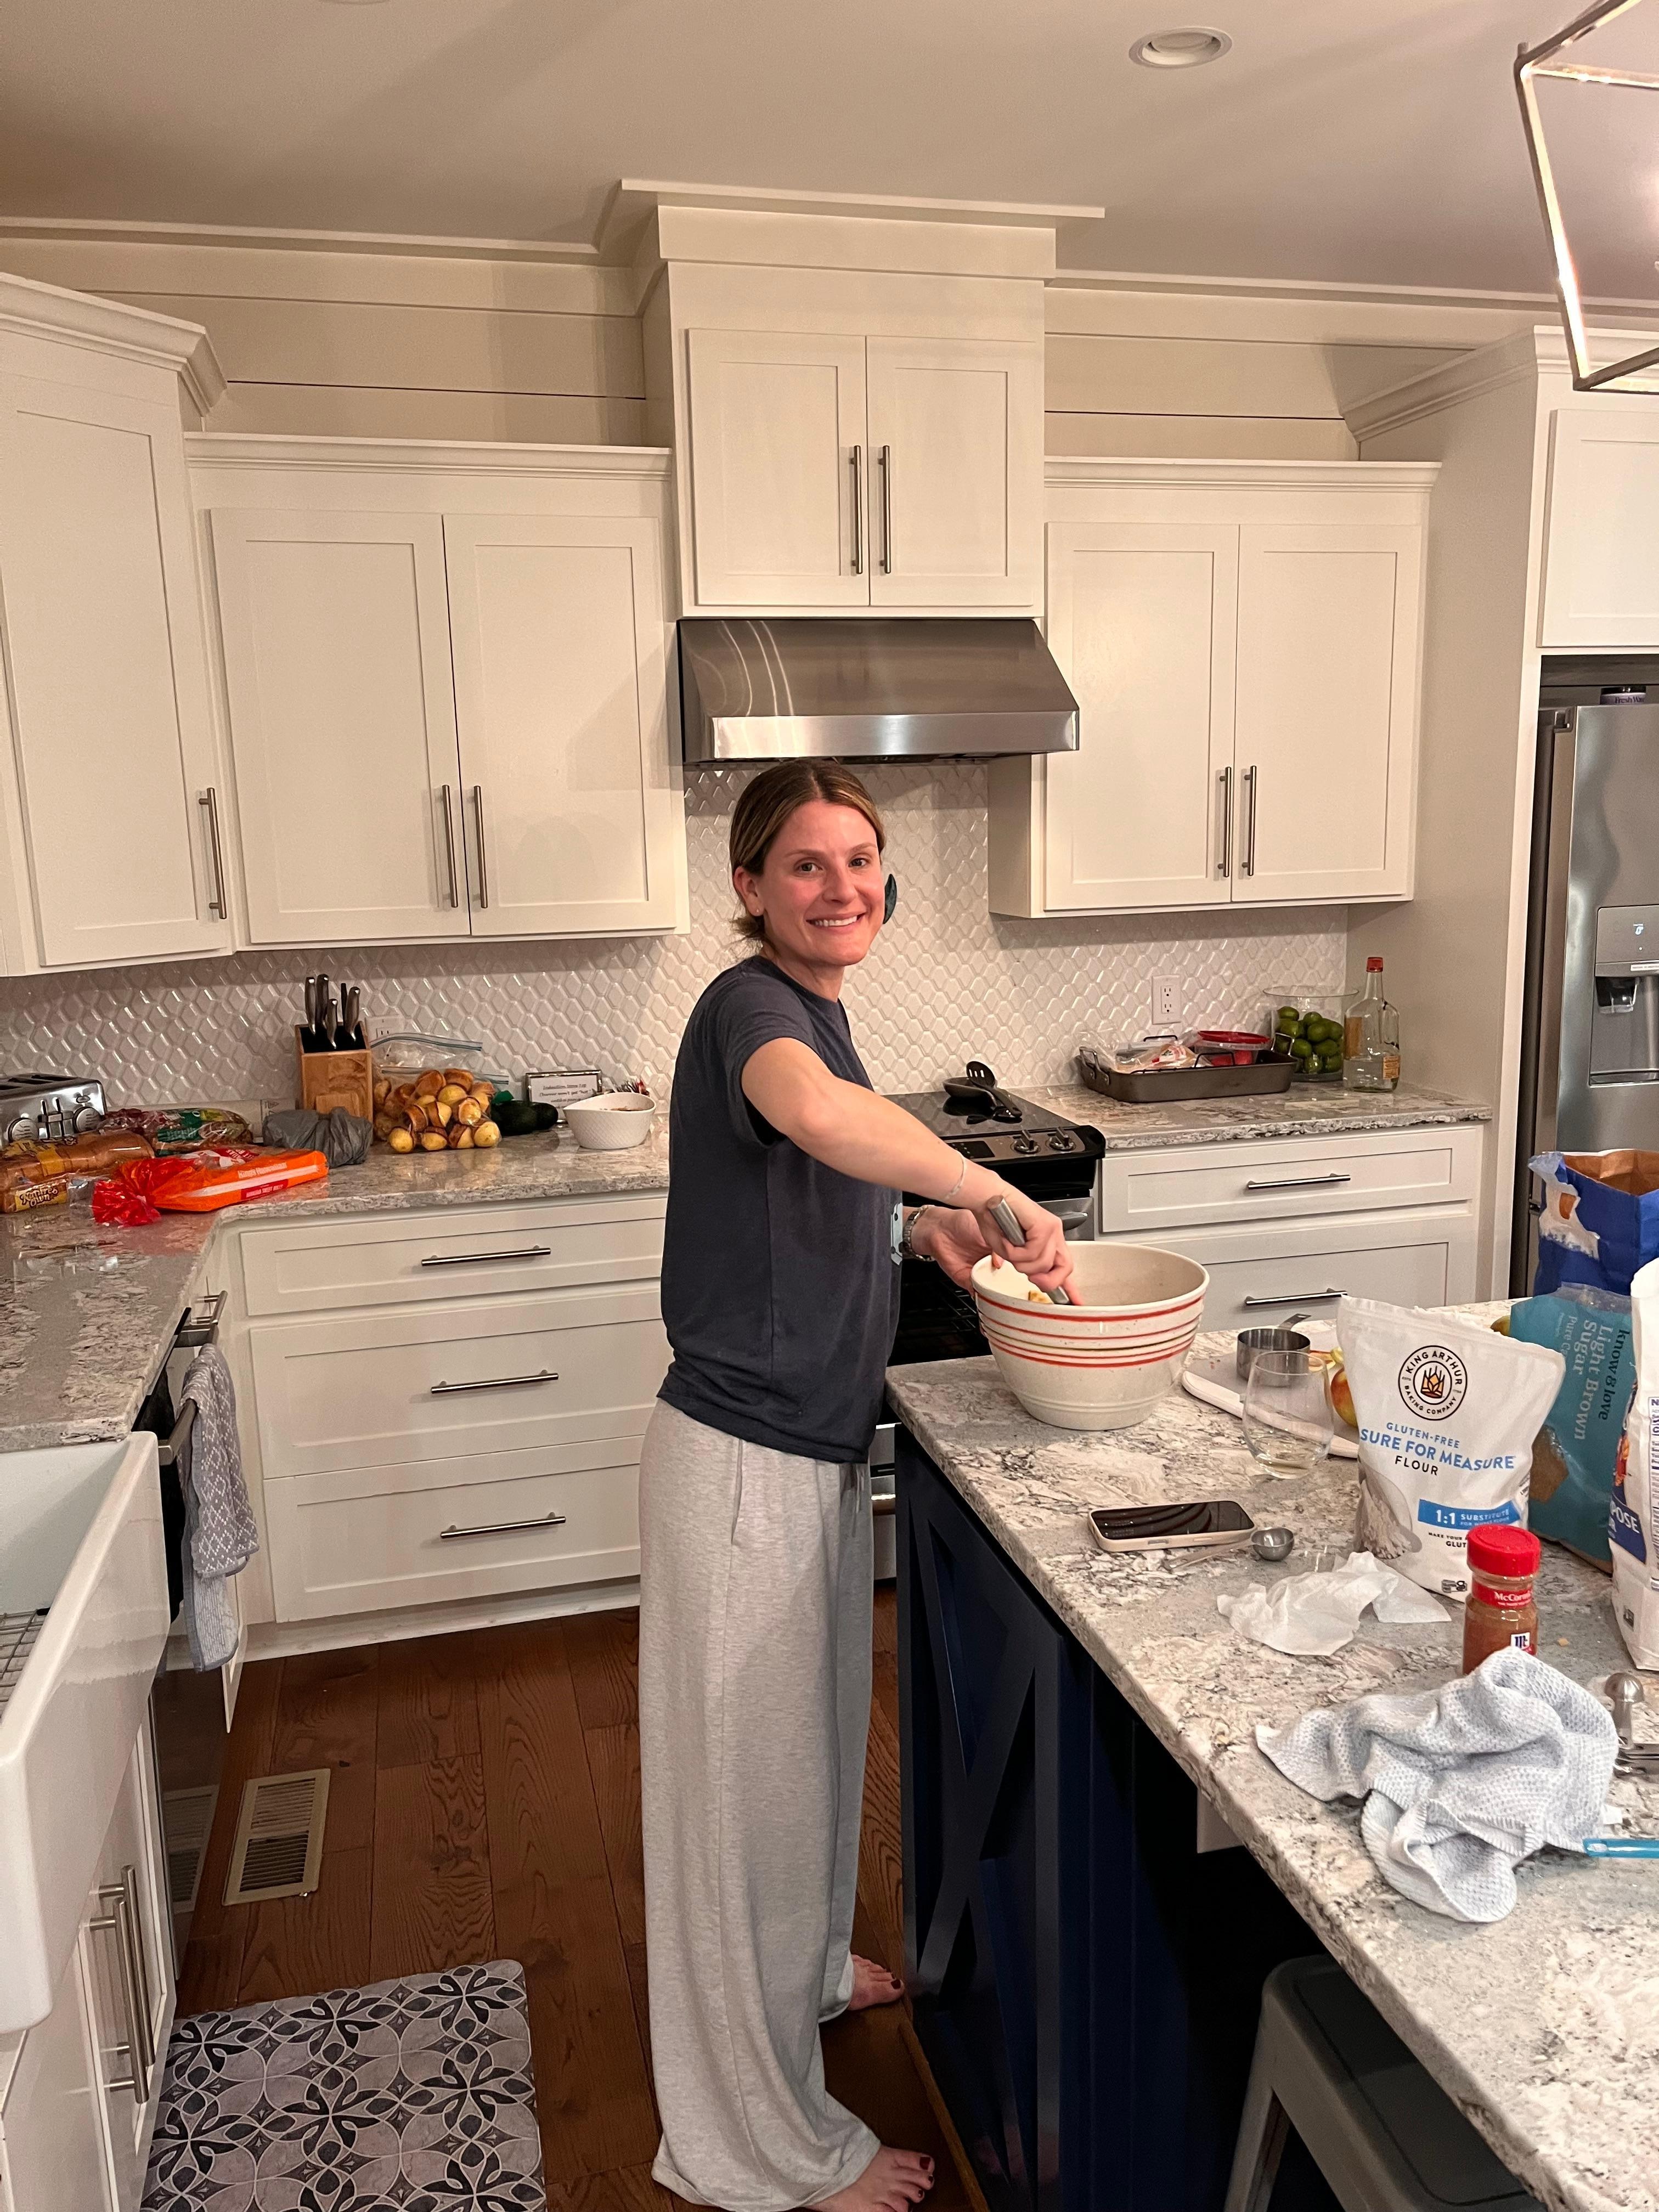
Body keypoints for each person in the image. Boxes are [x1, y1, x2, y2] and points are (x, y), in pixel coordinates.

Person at [637, 759, 1075, 2212]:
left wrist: (928, 1230)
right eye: (810, 864)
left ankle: (812, 1966)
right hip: (741, 1463)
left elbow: (807, 1204)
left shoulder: (819, 1008)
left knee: (813, 1752)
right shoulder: (752, 1012)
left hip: (809, 1445)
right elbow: (820, 1124)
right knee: (743, 1807)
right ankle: (757, 2145)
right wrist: (1001, 1188)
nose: (846, 887)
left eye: (865, 860)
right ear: (750, 887)